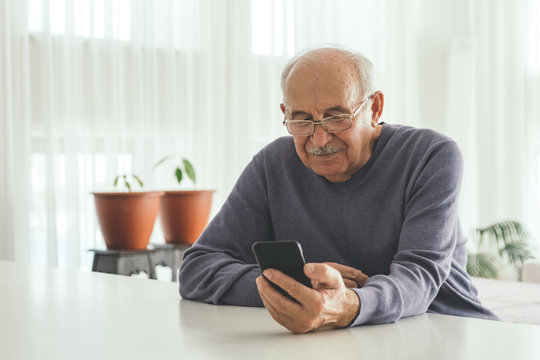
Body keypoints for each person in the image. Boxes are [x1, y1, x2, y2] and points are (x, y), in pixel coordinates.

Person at [179, 46, 498, 334]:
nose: (319, 140)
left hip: (446, 331)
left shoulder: (430, 155)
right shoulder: (273, 164)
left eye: (336, 117)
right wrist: (303, 288)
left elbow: (419, 277)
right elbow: (197, 269)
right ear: (285, 115)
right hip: (334, 344)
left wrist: (347, 305)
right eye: (302, 120)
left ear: (374, 109)